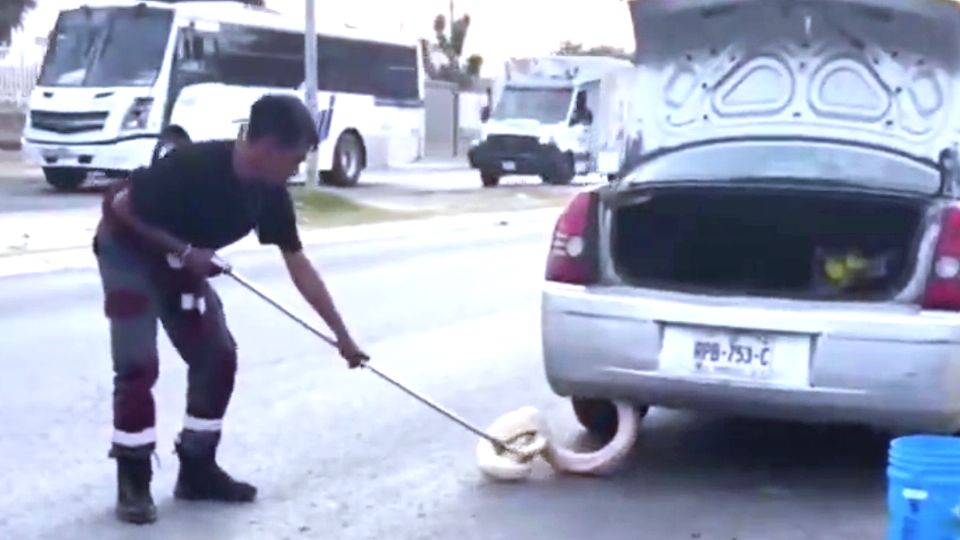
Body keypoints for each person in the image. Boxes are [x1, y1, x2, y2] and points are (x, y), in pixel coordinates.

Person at [93, 94, 369, 525]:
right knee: (137, 363)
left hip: (183, 261)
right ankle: (133, 479)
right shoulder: (192, 165)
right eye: (294, 159)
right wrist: (183, 250)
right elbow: (118, 205)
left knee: (216, 355)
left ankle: (197, 471)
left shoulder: (269, 194)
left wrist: (343, 337)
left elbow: (298, 266)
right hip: (128, 253)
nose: (296, 170)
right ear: (266, 148)